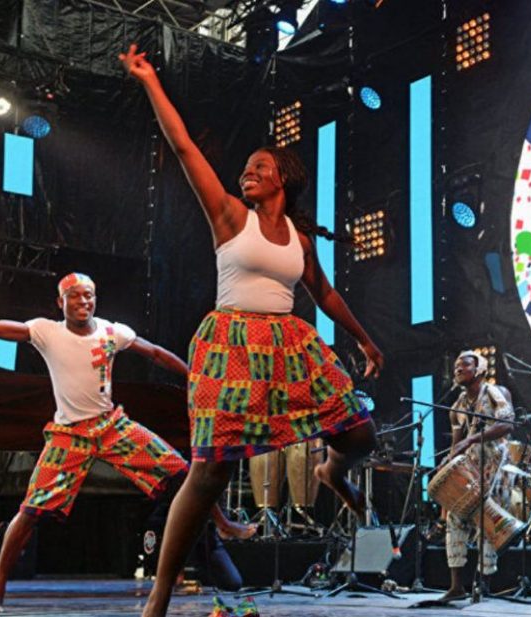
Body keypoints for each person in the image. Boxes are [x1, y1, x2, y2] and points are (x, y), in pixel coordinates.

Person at [119, 44, 385, 617]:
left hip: (289, 344)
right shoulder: (229, 216)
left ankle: (331, 470)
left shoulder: (300, 239)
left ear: (283, 178)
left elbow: (325, 293)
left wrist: (365, 339)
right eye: (246, 167)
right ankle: (158, 597)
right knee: (211, 470)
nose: (249, 171)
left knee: (360, 435)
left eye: (260, 166)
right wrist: (149, 81)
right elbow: (183, 146)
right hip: (232, 343)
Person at [0, 252, 253, 614]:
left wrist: (193, 378)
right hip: (69, 435)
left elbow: (156, 353)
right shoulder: (46, 331)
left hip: (111, 426)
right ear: (60, 302)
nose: (83, 301)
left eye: (89, 295)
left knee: (181, 469)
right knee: (31, 511)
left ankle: (223, 524)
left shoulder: (112, 332)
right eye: (74, 296)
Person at [438, 350, 514, 601]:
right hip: (470, 469)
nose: (458, 369)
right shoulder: (457, 406)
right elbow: (457, 444)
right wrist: (448, 465)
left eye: (465, 365)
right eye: (456, 366)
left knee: (488, 522)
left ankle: (483, 584)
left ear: (480, 369)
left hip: (497, 465)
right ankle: (456, 587)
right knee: (455, 518)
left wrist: (472, 439)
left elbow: (507, 424)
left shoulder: (496, 392)